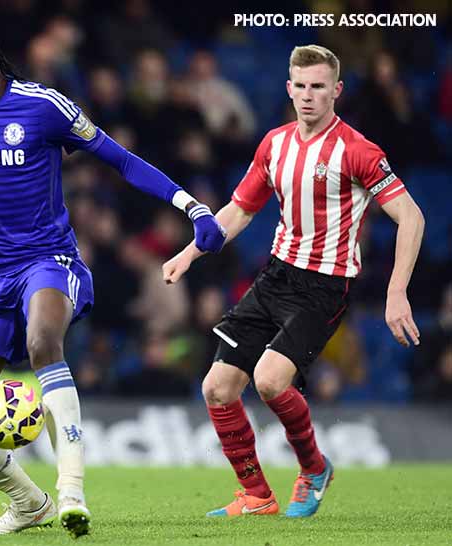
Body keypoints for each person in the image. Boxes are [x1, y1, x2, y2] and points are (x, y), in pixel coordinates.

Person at [0, 12, 226, 537]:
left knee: (43, 341)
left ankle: (72, 491)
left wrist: (192, 207)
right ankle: (29, 503)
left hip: (47, 259)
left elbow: (121, 160)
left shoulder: (43, 106)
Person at [163, 45, 424, 518]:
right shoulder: (274, 143)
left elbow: (412, 217)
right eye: (300, 86)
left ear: (336, 91)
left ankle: (314, 469)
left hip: (325, 284)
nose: (308, 95)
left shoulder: (358, 151)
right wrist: (189, 253)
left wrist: (396, 292)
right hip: (276, 275)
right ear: (288, 88)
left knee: (268, 380)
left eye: (318, 87)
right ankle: (257, 496)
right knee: (217, 388)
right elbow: (239, 210)